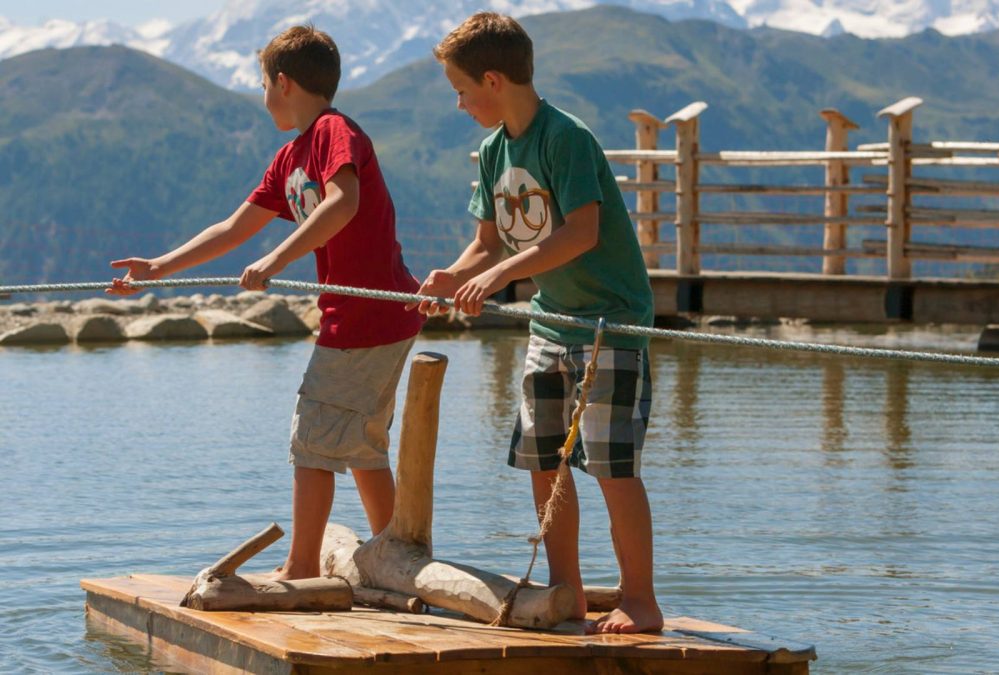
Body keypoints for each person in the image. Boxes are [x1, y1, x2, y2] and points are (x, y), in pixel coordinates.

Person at [108, 25, 423, 580]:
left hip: (366, 316)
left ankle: (300, 568)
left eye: (262, 85)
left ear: (283, 83)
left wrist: (275, 260)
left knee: (311, 440)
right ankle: (396, 556)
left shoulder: (333, 131)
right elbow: (234, 228)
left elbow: (343, 202)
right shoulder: (290, 158)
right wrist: (158, 267)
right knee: (361, 444)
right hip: (374, 317)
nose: (262, 96)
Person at [418, 12, 662, 634]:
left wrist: (500, 276)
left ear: (493, 80)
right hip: (550, 325)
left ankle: (640, 600)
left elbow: (581, 234)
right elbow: (486, 244)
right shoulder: (493, 151)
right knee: (543, 461)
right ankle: (566, 590)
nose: (459, 103)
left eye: (462, 89)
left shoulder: (565, 138)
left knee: (612, 467)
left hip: (609, 325)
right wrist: (452, 277)